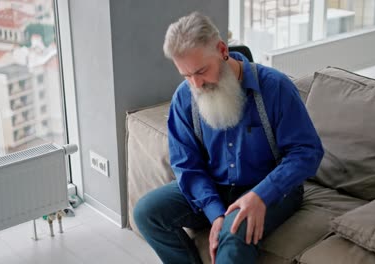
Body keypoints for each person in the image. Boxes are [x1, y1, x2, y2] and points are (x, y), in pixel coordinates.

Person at [133, 12, 324, 264]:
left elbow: (307, 152)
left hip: (272, 189)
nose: (196, 84)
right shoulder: (184, 97)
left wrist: (261, 195)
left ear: (222, 50)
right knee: (147, 212)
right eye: (186, 75)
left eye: (201, 71)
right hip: (215, 185)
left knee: (233, 232)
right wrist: (215, 214)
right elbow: (186, 165)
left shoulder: (275, 87)